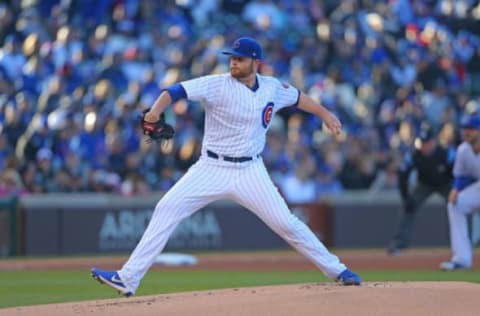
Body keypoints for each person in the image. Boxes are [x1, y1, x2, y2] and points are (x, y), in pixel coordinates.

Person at [91, 37, 361, 296]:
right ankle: (127, 279)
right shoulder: (217, 84)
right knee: (166, 208)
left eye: (240, 59)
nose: (233, 63)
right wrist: (153, 112)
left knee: (286, 223)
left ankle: (338, 270)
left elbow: (299, 97)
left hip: (250, 171)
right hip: (211, 167)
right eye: (232, 58)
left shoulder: (271, 87)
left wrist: (325, 113)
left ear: (256, 62)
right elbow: (175, 91)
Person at [387, 124, 454, 255]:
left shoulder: (447, 153)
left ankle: (463, 245)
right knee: (408, 207)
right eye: (422, 142)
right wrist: (406, 198)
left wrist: (456, 191)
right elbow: (402, 175)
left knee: (458, 207)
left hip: (446, 183)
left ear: (434, 141)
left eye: (427, 142)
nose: (424, 146)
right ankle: (399, 244)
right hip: (424, 184)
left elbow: (458, 172)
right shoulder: (414, 154)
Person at [440, 115, 480, 270]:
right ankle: (462, 259)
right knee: (455, 204)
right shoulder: (463, 150)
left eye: (471, 129)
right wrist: (456, 190)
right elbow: (461, 176)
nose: (467, 132)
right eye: (465, 129)